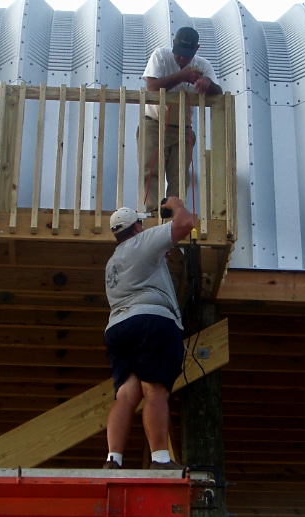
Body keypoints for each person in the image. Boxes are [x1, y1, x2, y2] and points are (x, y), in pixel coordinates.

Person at [102, 197, 196, 470]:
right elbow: (185, 223)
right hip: (152, 321)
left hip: (118, 327)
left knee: (126, 394)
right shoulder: (144, 241)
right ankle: (160, 459)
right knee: (154, 389)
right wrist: (176, 204)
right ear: (137, 226)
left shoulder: (113, 262)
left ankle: (114, 459)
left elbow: (142, 265)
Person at [140, 26, 222, 212]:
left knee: (179, 176)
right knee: (150, 171)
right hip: (154, 124)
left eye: (187, 55)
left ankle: (173, 213)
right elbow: (152, 86)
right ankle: (153, 211)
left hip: (182, 129)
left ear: (197, 49)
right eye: (179, 54)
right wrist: (182, 76)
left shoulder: (203, 65)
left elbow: (218, 92)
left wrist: (207, 84)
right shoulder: (160, 55)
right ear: (173, 44)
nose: (182, 58)